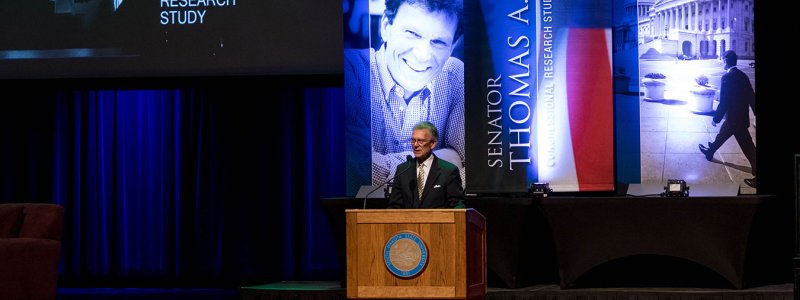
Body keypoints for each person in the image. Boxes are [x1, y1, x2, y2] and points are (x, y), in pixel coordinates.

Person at [344, 0, 465, 190]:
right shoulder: (350, 72)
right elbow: (352, 170)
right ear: (385, 26)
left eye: (439, 42)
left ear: (452, 46)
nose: (422, 54)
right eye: (412, 33)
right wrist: (443, 162)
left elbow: (470, 170)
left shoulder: (455, 76)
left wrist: (376, 167)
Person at [698, 50, 757, 188]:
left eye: (722, 59)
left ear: (725, 60)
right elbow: (751, 97)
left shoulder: (726, 77)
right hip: (740, 117)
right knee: (722, 134)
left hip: (733, 119)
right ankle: (710, 151)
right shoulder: (743, 76)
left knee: (748, 147)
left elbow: (724, 101)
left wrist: (716, 118)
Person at [388, 122, 465, 208]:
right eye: (413, 140)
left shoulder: (448, 171)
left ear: (432, 144)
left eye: (420, 141)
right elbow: (394, 206)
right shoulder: (402, 170)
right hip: (409, 220)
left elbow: (457, 205)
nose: (415, 145)